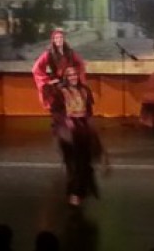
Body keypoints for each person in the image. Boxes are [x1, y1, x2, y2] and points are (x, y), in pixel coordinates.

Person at [46, 66, 108, 206]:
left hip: (83, 128)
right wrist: (65, 122)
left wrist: (91, 127)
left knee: (84, 162)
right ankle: (74, 193)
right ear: (66, 78)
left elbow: (89, 111)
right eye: (70, 75)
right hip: (67, 131)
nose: (73, 77)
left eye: (75, 74)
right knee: (72, 164)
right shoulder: (60, 92)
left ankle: (80, 191)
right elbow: (56, 112)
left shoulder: (84, 90)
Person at [32, 28, 87, 110]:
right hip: (57, 83)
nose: (59, 40)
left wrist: (75, 75)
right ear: (53, 40)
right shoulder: (49, 53)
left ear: (64, 39)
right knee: (59, 105)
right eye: (56, 38)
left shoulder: (70, 52)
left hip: (69, 82)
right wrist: (47, 81)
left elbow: (80, 64)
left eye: (61, 37)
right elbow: (36, 68)